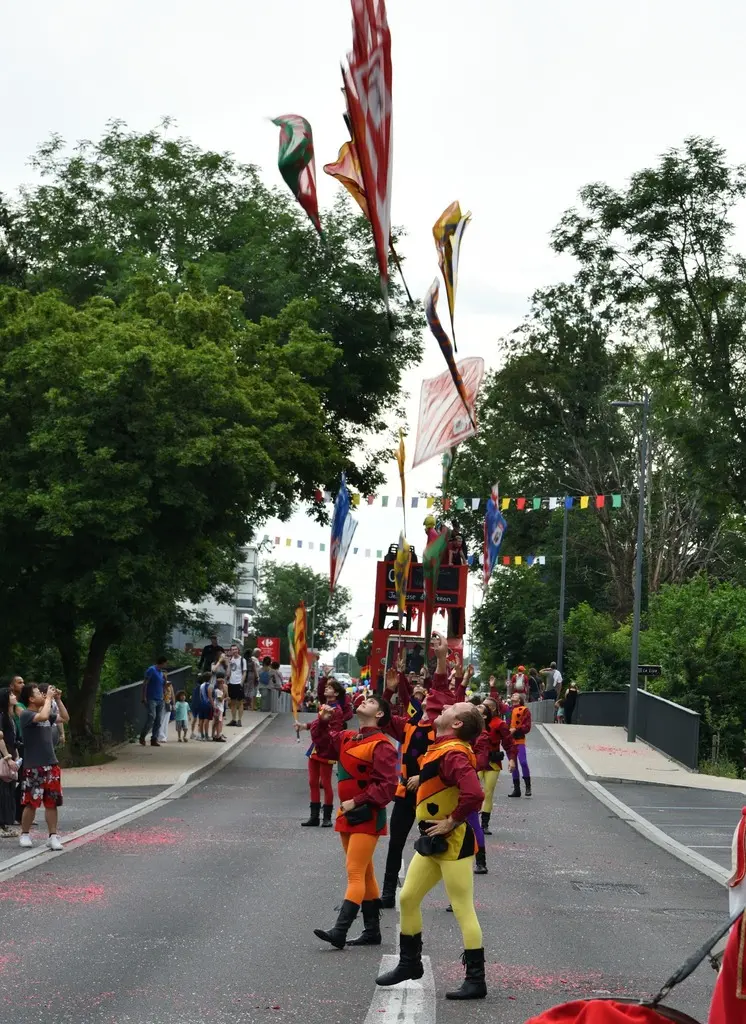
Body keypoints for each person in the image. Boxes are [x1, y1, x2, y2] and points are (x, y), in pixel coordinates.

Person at [375, 699, 487, 1000]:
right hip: (433, 841)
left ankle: (476, 979)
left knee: (462, 907)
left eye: (453, 708)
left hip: (453, 843)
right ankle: (409, 963)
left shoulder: (454, 753)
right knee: (408, 897)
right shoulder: (442, 748)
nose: (446, 706)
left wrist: (452, 820)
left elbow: (475, 793)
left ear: (457, 723)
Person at [309, 693, 398, 950]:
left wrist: (356, 801)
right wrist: (322, 722)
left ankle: (340, 930)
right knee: (365, 872)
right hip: (348, 813)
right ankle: (372, 931)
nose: (364, 701)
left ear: (379, 714)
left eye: (371, 702)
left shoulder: (382, 745)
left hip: (367, 815)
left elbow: (387, 787)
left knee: (355, 871)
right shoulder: (347, 737)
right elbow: (322, 747)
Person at [379, 661, 437, 909]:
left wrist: (422, 777)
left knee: (436, 846)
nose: (423, 702)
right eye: (422, 700)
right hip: (405, 793)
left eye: (428, 698)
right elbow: (381, 717)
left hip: (431, 795)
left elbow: (445, 761)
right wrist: (390, 690)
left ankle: (455, 892)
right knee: (396, 843)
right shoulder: (408, 725)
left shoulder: (442, 730)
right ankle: (387, 893)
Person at [18, 683, 69, 850]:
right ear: (31, 699)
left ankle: (53, 835)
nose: (42, 694)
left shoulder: (46, 713)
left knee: (52, 802)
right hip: (34, 765)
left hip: (51, 763)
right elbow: (43, 716)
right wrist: (48, 698)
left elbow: (65, 718)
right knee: (31, 802)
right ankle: (25, 833)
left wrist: (58, 700)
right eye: (38, 693)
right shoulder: (26, 714)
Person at [296, 677, 352, 827]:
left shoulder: (336, 710)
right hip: (316, 747)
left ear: (336, 693)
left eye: (330, 687)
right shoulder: (325, 706)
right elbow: (317, 723)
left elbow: (334, 731)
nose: (326, 689)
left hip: (326, 749)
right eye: (326, 687)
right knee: (312, 782)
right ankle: (314, 817)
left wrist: (319, 732)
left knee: (326, 783)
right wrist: (304, 726)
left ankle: (326, 817)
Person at [475, 701, 517, 841]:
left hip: (492, 763)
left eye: (485, 705)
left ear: (492, 709)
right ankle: (470, 820)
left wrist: (512, 759)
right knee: (473, 791)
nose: (481, 706)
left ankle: (484, 824)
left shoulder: (499, 724)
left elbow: (509, 743)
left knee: (488, 793)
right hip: (475, 761)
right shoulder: (472, 723)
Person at [0, 687, 19, 838]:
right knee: (2, 791)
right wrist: (7, 756)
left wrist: (15, 755)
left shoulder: (10, 716)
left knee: (8, 790)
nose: (14, 696)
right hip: (3, 757)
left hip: (11, 754)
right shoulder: (1, 716)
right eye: (11, 694)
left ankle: (4, 825)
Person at [139, 656, 168, 747]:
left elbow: (163, 686)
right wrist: (144, 696)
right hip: (151, 698)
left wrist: (165, 682)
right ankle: (142, 736)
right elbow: (145, 684)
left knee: (158, 720)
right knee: (152, 717)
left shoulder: (161, 673)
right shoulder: (151, 670)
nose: (166, 665)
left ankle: (154, 739)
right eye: (165, 663)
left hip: (160, 699)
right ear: (162, 663)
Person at [508, 692, 532, 797]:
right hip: (509, 741)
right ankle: (516, 790)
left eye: (516, 695)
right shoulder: (508, 709)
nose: (513, 695)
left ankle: (528, 787)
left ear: (520, 699)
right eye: (512, 695)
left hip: (519, 740)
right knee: (513, 765)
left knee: (523, 762)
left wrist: (516, 729)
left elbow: (527, 726)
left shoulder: (524, 710)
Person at [227, 644, 247, 727]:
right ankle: (233, 719)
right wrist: (228, 663)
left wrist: (241, 683)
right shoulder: (230, 660)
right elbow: (228, 673)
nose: (234, 651)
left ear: (238, 650)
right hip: (231, 682)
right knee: (232, 702)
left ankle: (239, 720)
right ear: (231, 651)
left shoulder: (242, 660)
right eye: (233, 649)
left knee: (240, 702)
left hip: (239, 683)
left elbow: (244, 672)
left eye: (235, 649)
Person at [157, 673, 174, 743]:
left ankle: (164, 736)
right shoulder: (159, 684)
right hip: (161, 703)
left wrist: (173, 704)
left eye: (166, 676)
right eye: (163, 676)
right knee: (160, 720)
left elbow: (172, 694)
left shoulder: (169, 684)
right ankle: (160, 736)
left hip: (168, 703)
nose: (165, 677)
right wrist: (164, 687)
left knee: (166, 721)